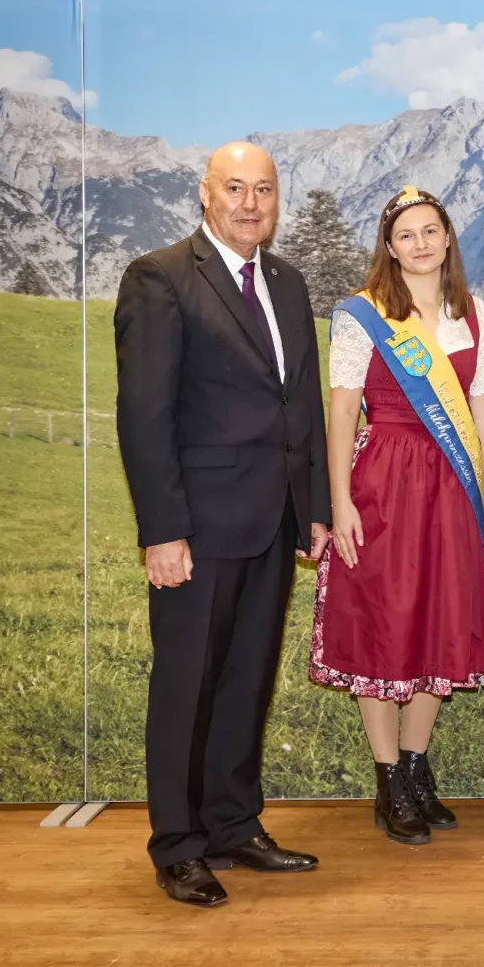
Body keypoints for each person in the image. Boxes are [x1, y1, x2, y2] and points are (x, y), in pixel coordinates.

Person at [114, 142, 330, 908]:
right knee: (186, 685)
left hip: (273, 521)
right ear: (204, 196)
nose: (250, 202)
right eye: (234, 188)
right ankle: (177, 844)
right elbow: (144, 415)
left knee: (245, 681)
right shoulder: (161, 278)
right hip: (198, 529)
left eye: (264, 189)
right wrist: (162, 530)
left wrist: (316, 510)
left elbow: (298, 403)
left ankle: (233, 824)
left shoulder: (287, 280)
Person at [309, 186, 484, 845]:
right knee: (384, 621)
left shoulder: (474, 314)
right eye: (406, 235)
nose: (420, 244)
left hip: (451, 485)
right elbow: (340, 411)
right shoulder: (363, 316)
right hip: (384, 482)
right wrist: (339, 503)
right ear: (389, 249)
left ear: (447, 238)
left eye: (431, 231)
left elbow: (483, 410)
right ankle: (388, 778)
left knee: (439, 619)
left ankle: (419, 770)